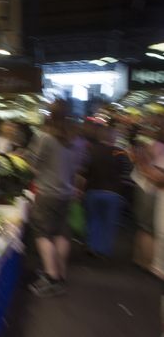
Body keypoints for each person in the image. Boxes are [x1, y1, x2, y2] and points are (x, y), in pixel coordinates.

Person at [27, 100, 81, 297]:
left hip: (47, 193)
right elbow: (76, 167)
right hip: (66, 193)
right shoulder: (73, 139)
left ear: (50, 113)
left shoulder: (45, 137)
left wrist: (31, 164)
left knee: (42, 234)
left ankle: (51, 277)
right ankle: (61, 273)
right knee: (61, 234)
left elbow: (33, 162)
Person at [81, 122, 132, 257]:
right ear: (113, 138)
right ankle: (104, 249)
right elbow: (127, 173)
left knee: (94, 219)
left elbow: (84, 171)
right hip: (113, 194)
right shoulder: (121, 153)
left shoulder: (91, 150)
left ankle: (92, 246)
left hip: (93, 191)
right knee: (109, 222)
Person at [132, 114, 164, 279]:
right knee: (146, 227)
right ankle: (145, 261)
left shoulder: (156, 145)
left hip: (149, 190)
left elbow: (156, 177)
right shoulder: (155, 144)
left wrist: (141, 163)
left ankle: (148, 262)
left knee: (146, 228)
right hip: (150, 191)